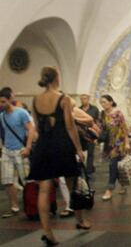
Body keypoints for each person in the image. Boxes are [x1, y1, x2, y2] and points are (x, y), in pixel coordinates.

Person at [28, 67, 90, 245]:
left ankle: (48, 233)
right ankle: (80, 221)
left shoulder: (35, 100)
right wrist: (78, 148)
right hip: (62, 146)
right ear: (56, 78)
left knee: (44, 190)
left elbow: (38, 127)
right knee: (73, 185)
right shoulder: (64, 99)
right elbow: (70, 127)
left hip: (43, 147)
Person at [0, 88, 35, 218]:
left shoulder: (21, 113)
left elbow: (31, 129)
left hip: (20, 149)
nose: (1, 104)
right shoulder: (2, 116)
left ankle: (31, 205)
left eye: (3, 101)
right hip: (7, 150)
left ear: (10, 100)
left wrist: (28, 147)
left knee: (27, 180)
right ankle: (14, 206)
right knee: (7, 180)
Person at [99, 94, 130, 201]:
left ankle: (109, 190)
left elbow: (124, 128)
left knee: (112, 165)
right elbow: (101, 127)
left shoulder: (118, 113)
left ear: (111, 102)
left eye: (104, 102)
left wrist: (127, 142)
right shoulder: (102, 114)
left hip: (119, 142)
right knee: (118, 166)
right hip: (109, 143)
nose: (102, 104)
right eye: (101, 102)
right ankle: (123, 184)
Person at [79, 94, 100, 177]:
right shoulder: (78, 109)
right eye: (81, 99)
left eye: (84, 98)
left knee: (91, 152)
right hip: (81, 133)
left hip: (91, 133)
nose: (83, 100)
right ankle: (81, 169)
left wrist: (97, 134)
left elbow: (97, 121)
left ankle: (89, 171)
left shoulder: (94, 109)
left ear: (88, 99)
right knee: (81, 152)